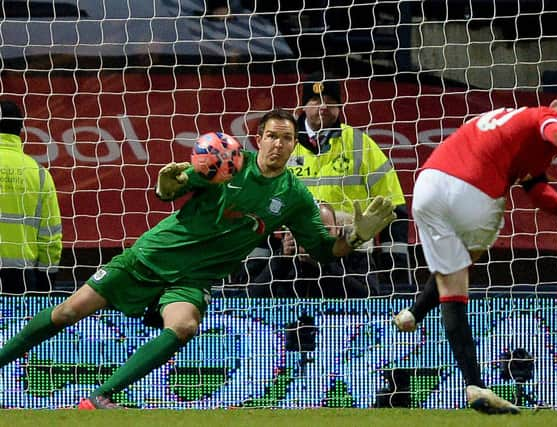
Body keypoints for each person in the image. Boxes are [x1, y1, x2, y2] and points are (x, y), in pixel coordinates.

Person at [0, 109, 395, 409]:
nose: (278, 144)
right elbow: (170, 191)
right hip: (151, 257)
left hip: (193, 279)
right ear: (258, 139)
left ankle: (99, 399)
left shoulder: (295, 197)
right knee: (69, 311)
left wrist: (356, 237)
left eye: (287, 139)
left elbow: (325, 252)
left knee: (185, 325)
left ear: (294, 146)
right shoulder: (224, 163)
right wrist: (169, 181)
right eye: (272, 136)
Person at [393, 88, 557, 414]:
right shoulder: (546, 117)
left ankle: (414, 314)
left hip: (428, 185)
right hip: (474, 191)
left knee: (450, 274)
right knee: (459, 275)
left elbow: (536, 188)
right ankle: (473, 385)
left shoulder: (509, 122)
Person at [288, 71, 410, 291]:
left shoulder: (360, 144)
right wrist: (260, 265)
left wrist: (397, 272)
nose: (323, 107)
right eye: (315, 100)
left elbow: (394, 207)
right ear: (303, 105)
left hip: (353, 260)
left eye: (331, 101)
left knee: (353, 323)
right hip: (295, 263)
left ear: (339, 106)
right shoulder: (284, 145)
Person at [248, 202, 378, 298]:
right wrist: (282, 260)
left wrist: (324, 266)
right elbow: (251, 298)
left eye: (326, 230)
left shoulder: (356, 255)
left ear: (338, 230)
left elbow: (373, 299)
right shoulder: (282, 256)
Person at [0, 99, 62, 294]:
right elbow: (51, 235)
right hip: (20, 278)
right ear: (20, 129)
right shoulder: (39, 173)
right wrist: (46, 279)